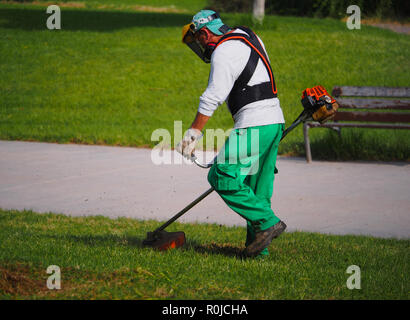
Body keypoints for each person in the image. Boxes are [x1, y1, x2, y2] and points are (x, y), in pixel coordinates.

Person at [177, 10, 286, 258]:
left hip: (255, 122)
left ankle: (267, 222)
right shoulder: (248, 34)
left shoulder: (224, 51)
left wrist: (192, 135)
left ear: (205, 33)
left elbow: (212, 97)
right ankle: (259, 252)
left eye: (198, 41)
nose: (200, 47)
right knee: (257, 189)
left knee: (222, 175)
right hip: (274, 122)